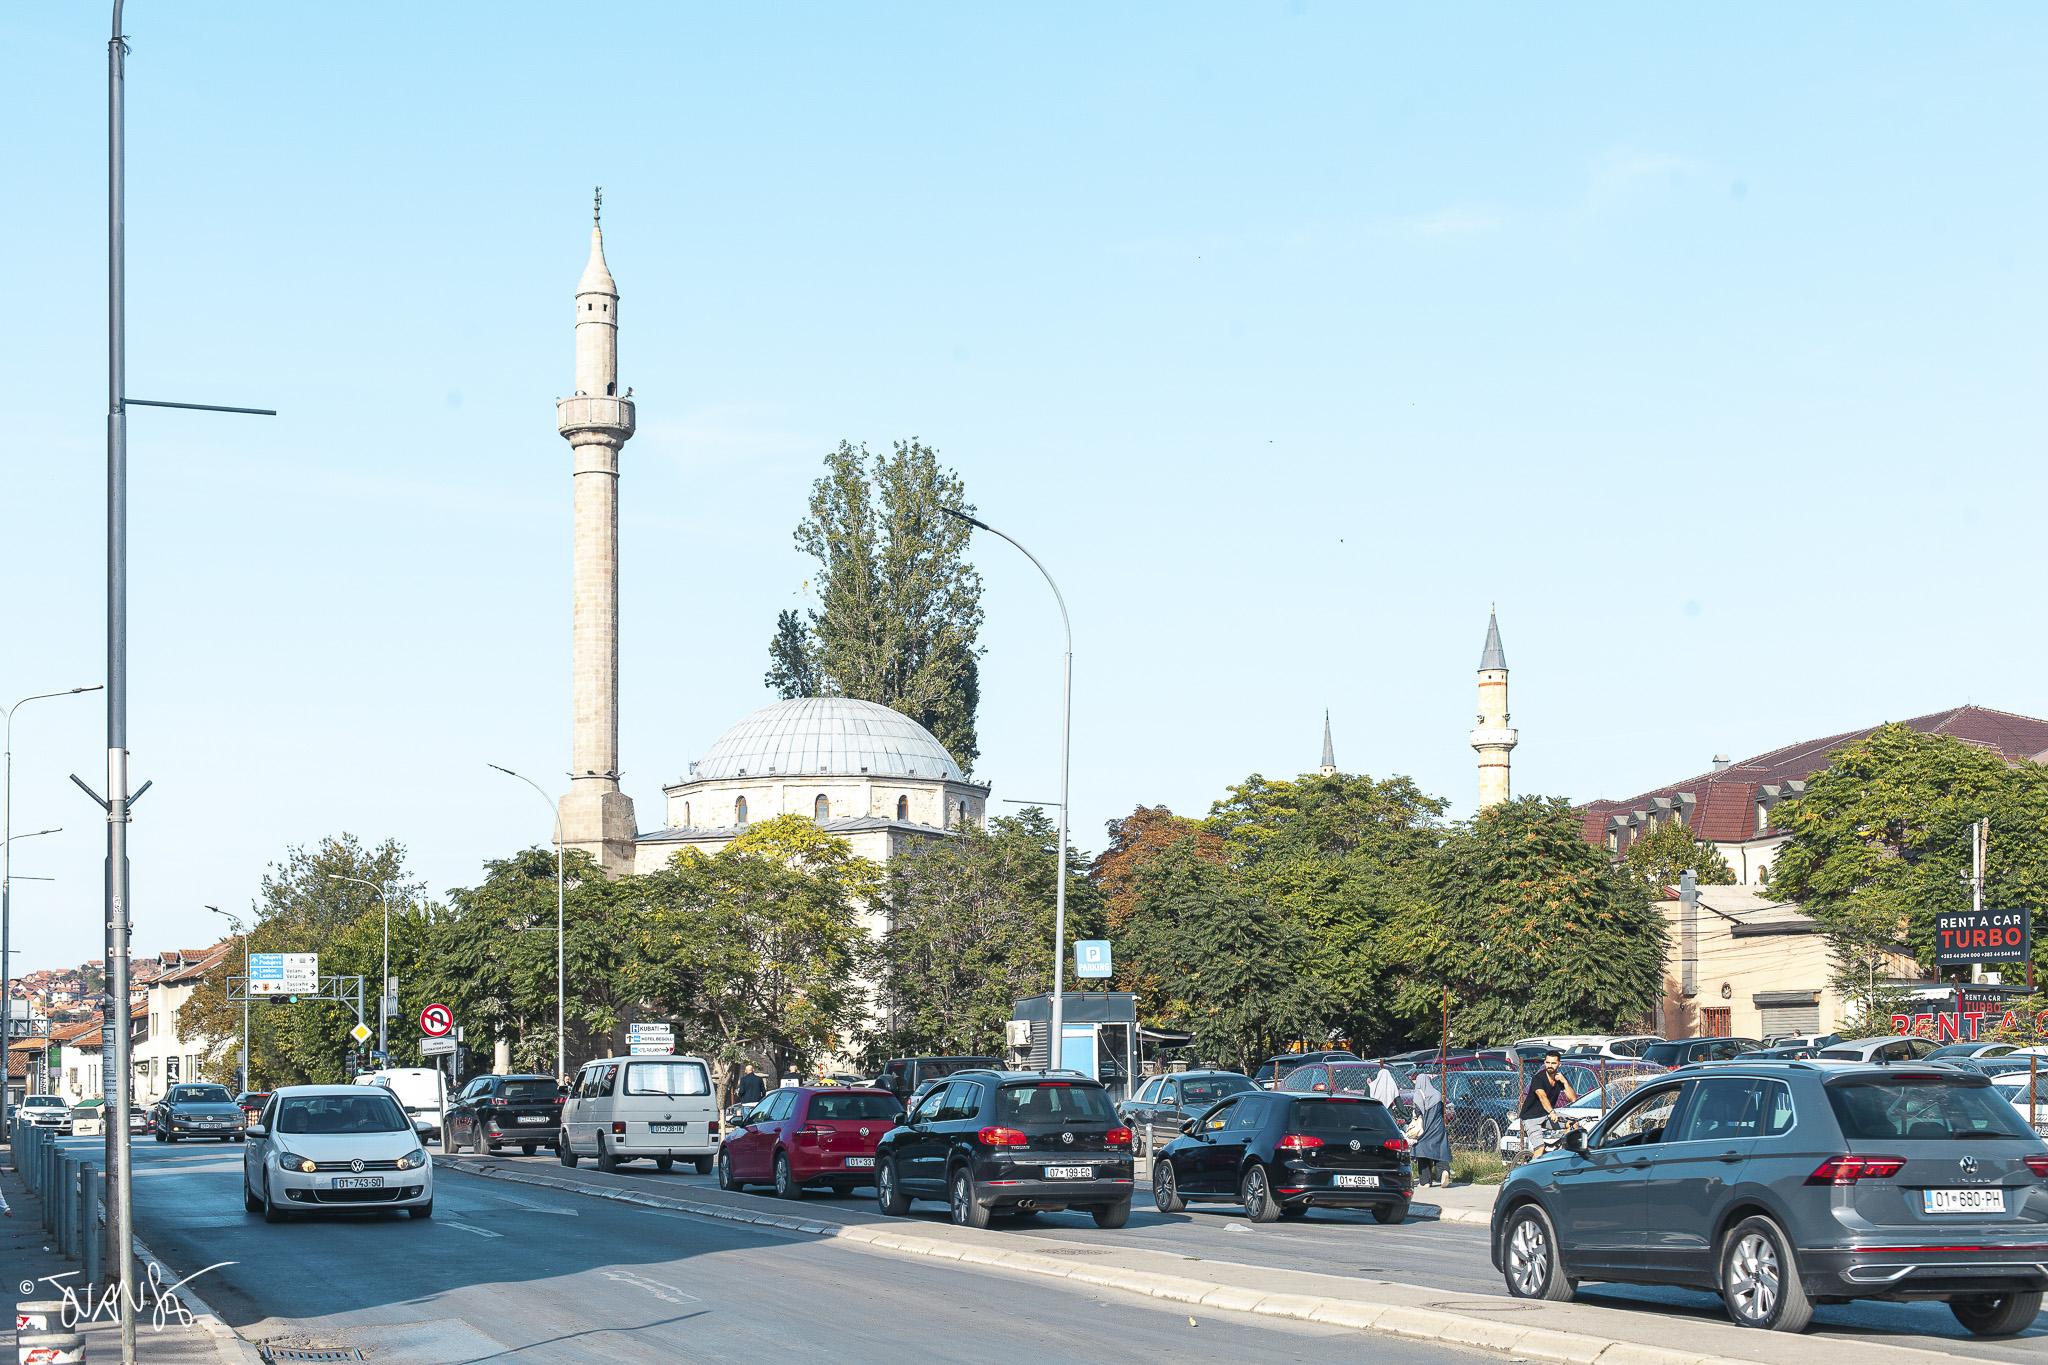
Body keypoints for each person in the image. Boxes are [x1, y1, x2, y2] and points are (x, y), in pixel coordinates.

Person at [1519, 1050, 1578, 1157]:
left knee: (1574, 1124)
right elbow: (1542, 1096)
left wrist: (1564, 1082)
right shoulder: (1538, 1078)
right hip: (1531, 1118)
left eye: (1554, 1063)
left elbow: (1573, 1098)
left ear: (1559, 1064)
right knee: (1540, 1148)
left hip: (1547, 1115)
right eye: (1548, 1062)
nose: (1550, 1066)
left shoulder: (1560, 1078)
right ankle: (1530, 1172)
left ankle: (1558, 1151)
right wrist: (1551, 1112)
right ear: (1545, 1063)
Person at [1411, 1072, 1452, 1186]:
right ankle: (1444, 1171)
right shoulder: (1437, 1094)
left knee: (1421, 1150)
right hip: (1438, 1127)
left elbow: (1418, 1112)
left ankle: (1425, 1181)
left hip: (1426, 1127)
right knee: (1440, 1149)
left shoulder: (1418, 1094)